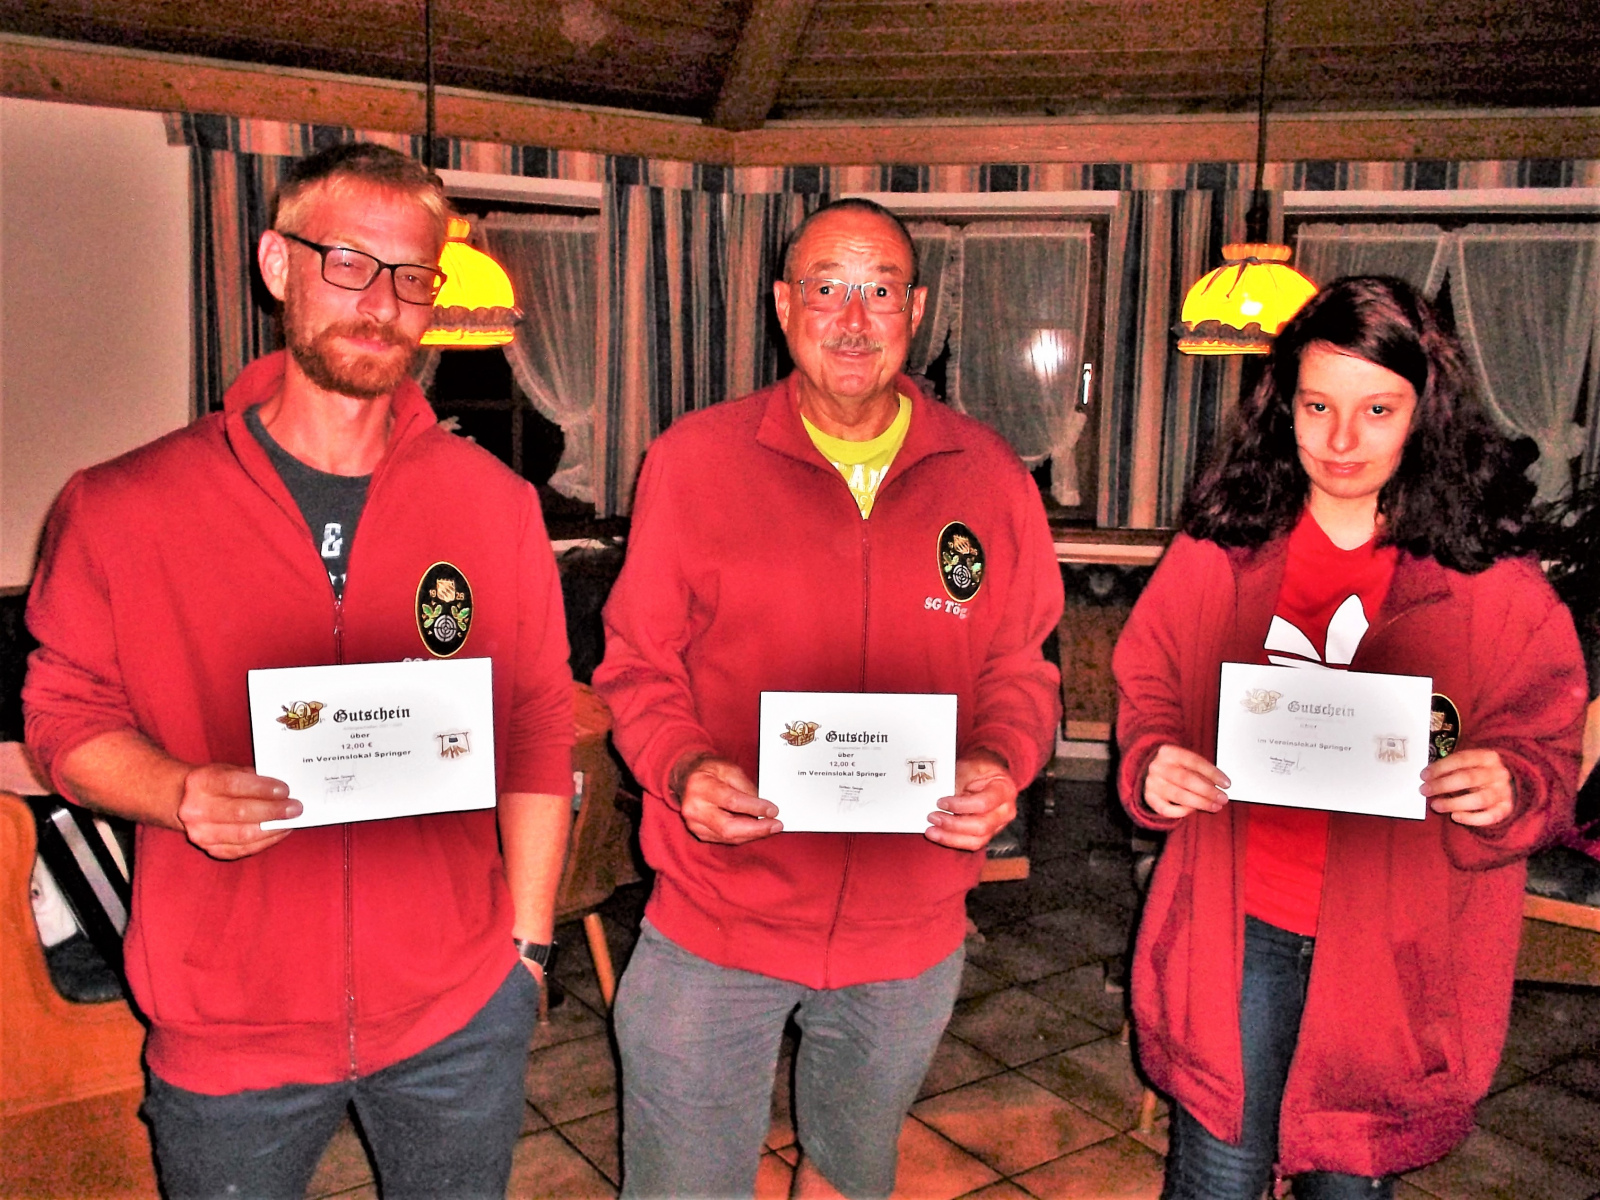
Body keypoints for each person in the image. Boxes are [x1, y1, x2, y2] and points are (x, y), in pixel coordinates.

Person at [23, 143, 575, 1199]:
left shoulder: (492, 504)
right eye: (349, 262)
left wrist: (529, 948)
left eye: (412, 276)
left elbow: (538, 719)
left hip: (460, 1012)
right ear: (278, 265)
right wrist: (176, 790)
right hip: (229, 1032)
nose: (382, 304)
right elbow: (62, 718)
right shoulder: (124, 504)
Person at [592, 197, 1063, 1199]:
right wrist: (681, 765)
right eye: (827, 288)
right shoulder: (694, 460)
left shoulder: (988, 476)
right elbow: (637, 661)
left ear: (916, 310)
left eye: (880, 291)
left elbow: (1020, 669)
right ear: (782, 304)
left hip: (909, 931)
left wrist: (1001, 759)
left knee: (851, 1176)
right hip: (717, 917)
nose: (853, 319)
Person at [1113, 276, 1586, 1199]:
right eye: (1317, 406)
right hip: (1239, 922)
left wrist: (1513, 781)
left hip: (1392, 950)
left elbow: (1545, 739)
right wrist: (1153, 757)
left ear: (1425, 413)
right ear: (1282, 409)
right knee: (1217, 1175)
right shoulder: (1223, 547)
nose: (1340, 441)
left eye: (1376, 410)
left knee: (1348, 1182)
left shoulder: (1490, 578)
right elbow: (1151, 683)